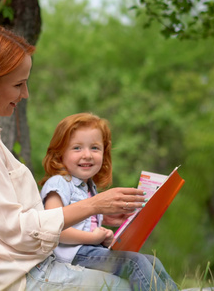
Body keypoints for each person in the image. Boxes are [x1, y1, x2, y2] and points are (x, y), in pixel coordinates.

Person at [0, 24, 162, 290]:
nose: (25, 94)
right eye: (18, 84)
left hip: (30, 270)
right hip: (23, 279)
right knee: (129, 285)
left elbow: (14, 220)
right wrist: (95, 205)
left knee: (140, 274)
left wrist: (96, 215)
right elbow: (15, 229)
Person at [39, 112, 178, 291]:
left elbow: (86, 222)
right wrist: (93, 237)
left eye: (95, 148)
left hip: (90, 250)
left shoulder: (89, 186)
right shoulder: (58, 183)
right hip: (72, 254)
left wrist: (107, 231)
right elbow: (54, 227)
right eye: (77, 148)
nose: (87, 155)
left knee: (152, 261)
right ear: (59, 153)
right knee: (134, 263)